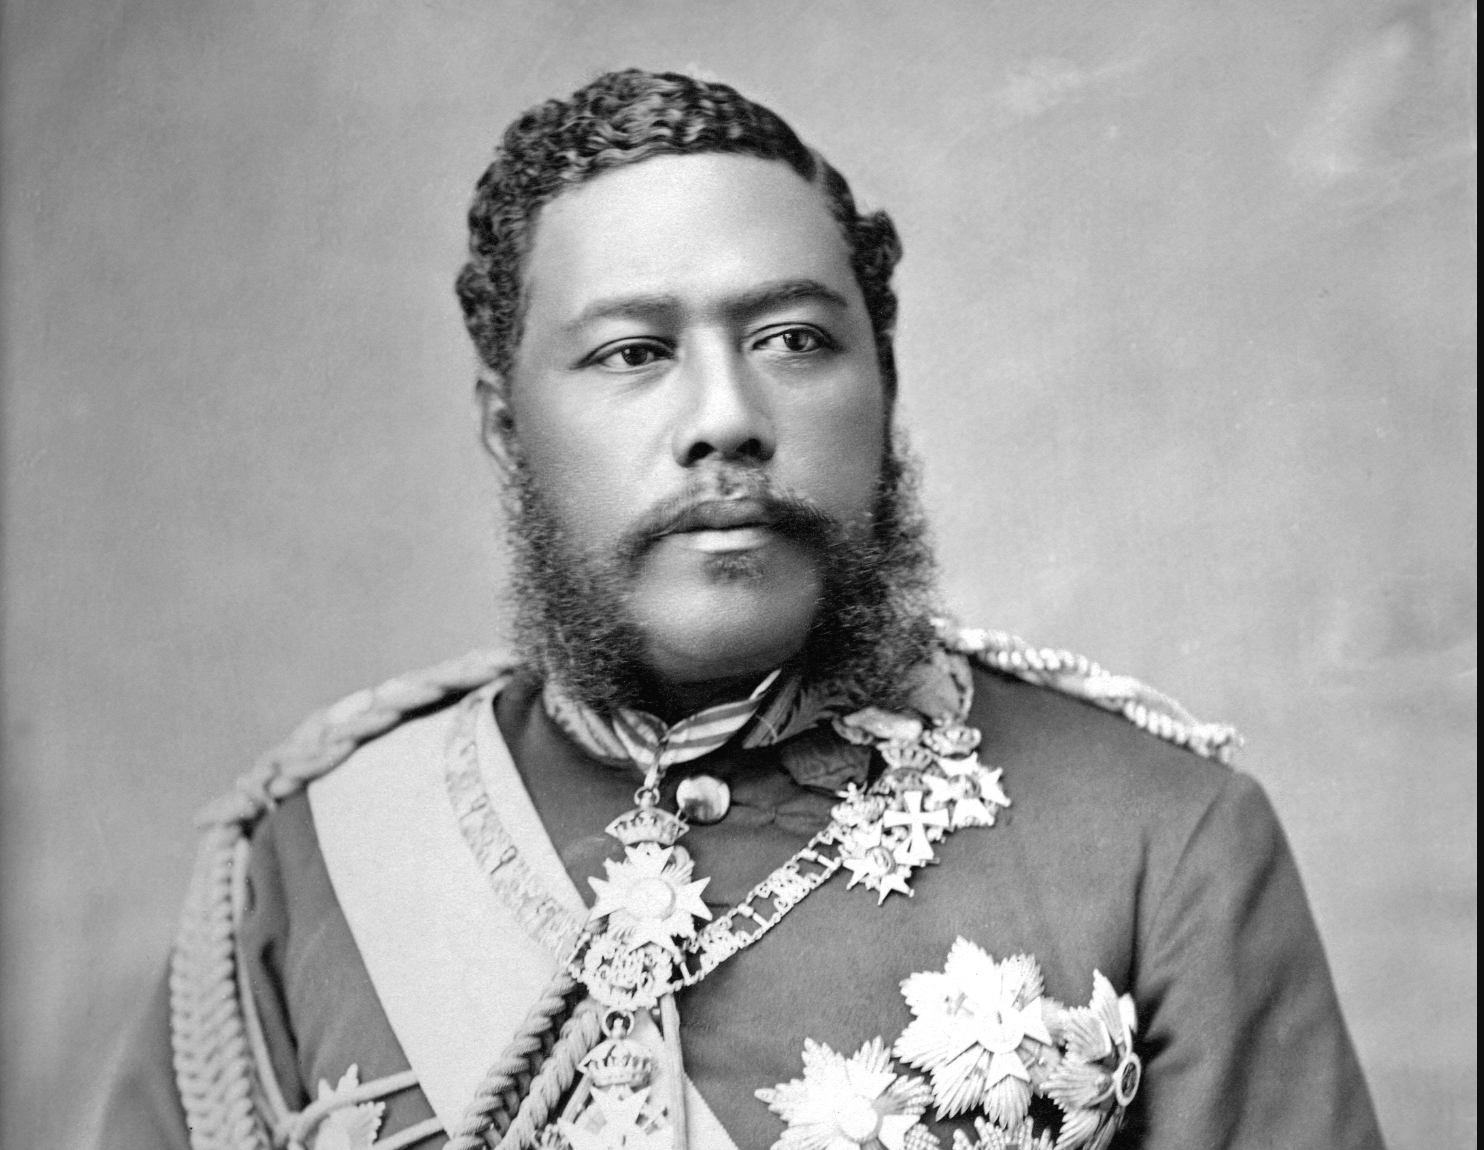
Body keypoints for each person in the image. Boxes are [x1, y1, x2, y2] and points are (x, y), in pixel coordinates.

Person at [99, 70, 1386, 1150]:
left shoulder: (1154, 838)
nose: (725, 418)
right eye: (632, 353)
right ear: (508, 428)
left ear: (882, 388)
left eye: (791, 339)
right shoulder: (306, 863)